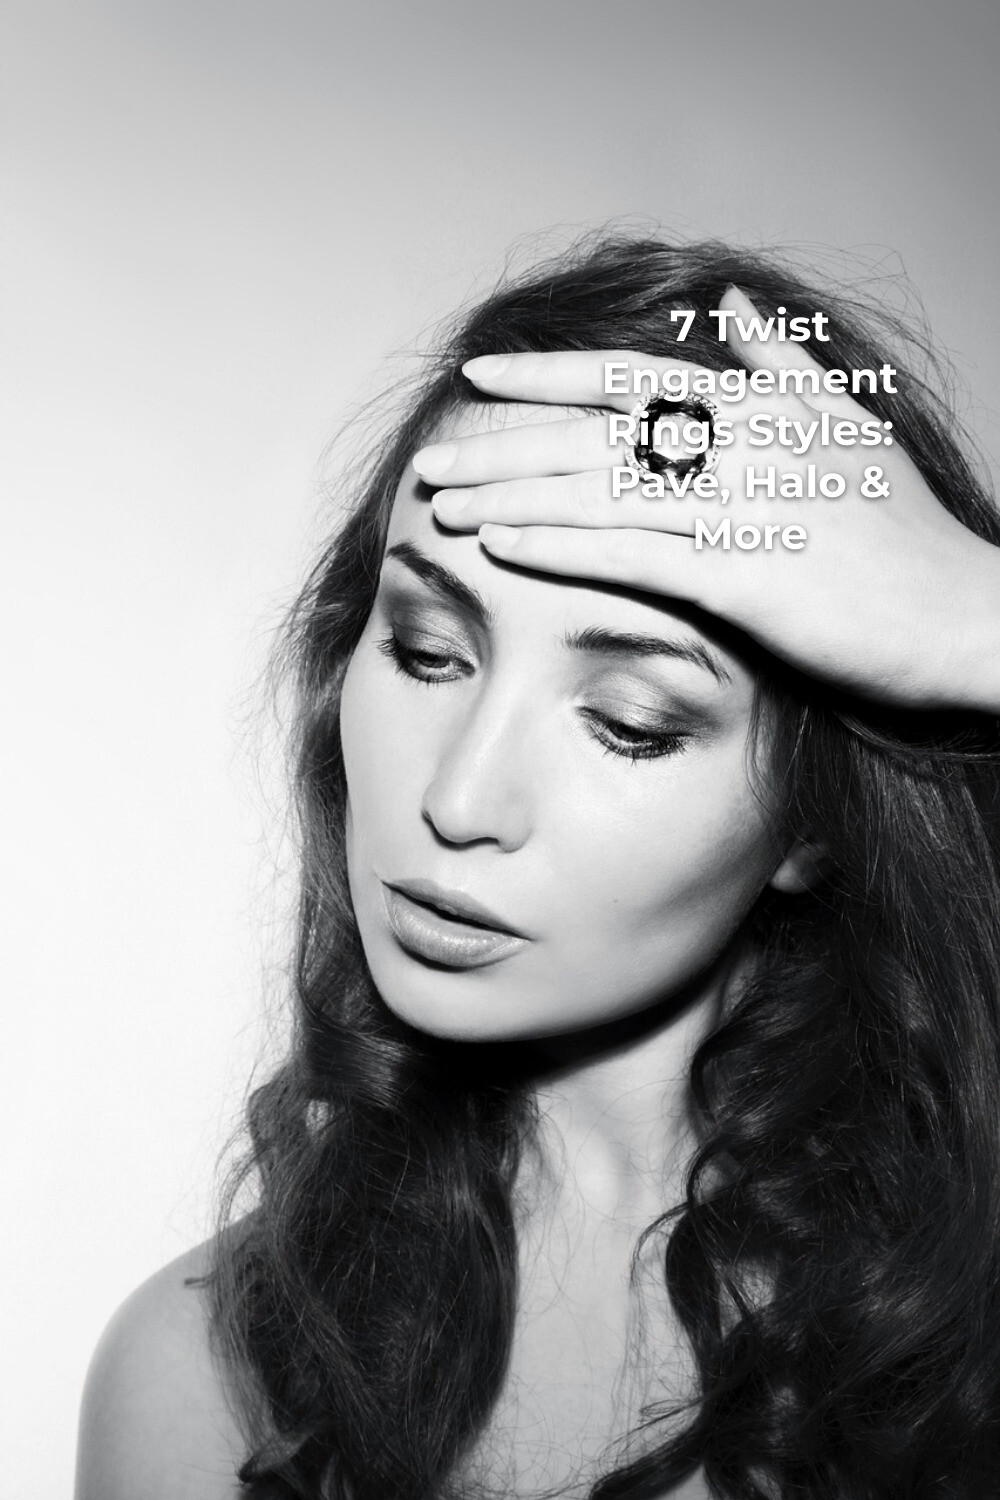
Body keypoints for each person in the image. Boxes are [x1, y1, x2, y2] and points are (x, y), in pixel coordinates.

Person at [75, 234, 1000, 1500]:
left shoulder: (966, 1335)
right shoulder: (206, 1381)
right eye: (426, 650)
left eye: (629, 720)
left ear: (816, 821)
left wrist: (975, 623)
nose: (455, 801)